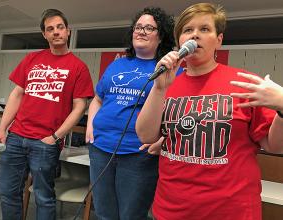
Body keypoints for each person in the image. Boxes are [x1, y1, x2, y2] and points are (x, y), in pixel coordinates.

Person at [136, 3, 283, 220]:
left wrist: (281, 108)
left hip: (231, 211)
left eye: (204, 29)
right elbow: (146, 135)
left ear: (219, 40)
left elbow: (274, 145)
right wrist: (159, 88)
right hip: (171, 209)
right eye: (187, 30)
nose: (195, 35)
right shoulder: (166, 83)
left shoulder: (243, 83)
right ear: (179, 42)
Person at [0, 9, 94, 220]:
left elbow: (79, 108)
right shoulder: (32, 59)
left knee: (43, 197)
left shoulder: (79, 68)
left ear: (68, 31)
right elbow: (17, 95)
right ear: (44, 35)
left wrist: (55, 137)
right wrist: (2, 129)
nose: (56, 32)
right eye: (50, 29)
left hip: (45, 142)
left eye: (60, 27)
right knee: (7, 192)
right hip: (16, 137)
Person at [85, 7, 175, 220]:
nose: (141, 31)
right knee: (104, 213)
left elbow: (176, 112)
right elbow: (98, 100)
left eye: (149, 28)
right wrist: (90, 125)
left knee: (131, 216)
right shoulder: (118, 65)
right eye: (138, 27)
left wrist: (164, 139)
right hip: (100, 149)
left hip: (138, 155)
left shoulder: (169, 69)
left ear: (160, 36)